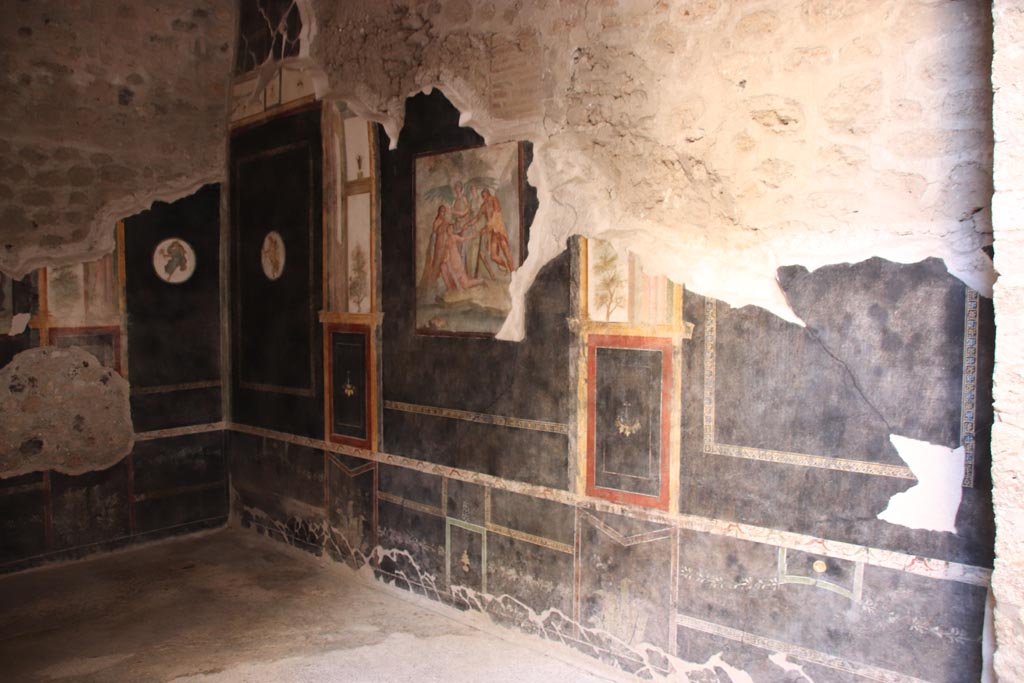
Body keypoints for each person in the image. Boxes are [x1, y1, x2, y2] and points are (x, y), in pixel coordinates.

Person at [474, 189, 516, 274]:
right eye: (483, 197)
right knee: (493, 256)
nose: (485, 199)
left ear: (489, 195)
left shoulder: (494, 200)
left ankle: (513, 273)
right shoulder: (484, 206)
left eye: (486, 196)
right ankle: (504, 265)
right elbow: (477, 218)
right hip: (493, 233)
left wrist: (486, 228)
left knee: (506, 251)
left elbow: (496, 215)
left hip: (499, 231)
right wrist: (467, 224)